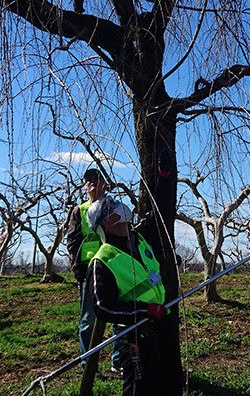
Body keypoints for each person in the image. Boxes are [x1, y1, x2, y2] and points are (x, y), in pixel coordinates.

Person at [85, 194, 172, 396]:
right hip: (134, 333)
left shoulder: (139, 240)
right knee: (138, 388)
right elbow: (102, 307)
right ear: (106, 222)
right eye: (113, 207)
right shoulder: (103, 260)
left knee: (161, 382)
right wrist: (144, 310)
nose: (120, 207)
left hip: (160, 323)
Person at [65, 168, 126, 373]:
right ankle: (88, 364)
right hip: (90, 272)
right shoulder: (78, 210)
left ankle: (118, 361)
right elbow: (73, 243)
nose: (92, 183)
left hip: (114, 268)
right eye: (88, 180)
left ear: (105, 184)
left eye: (96, 179)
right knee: (88, 321)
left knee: (120, 318)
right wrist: (78, 273)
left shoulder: (113, 206)